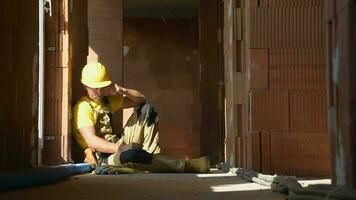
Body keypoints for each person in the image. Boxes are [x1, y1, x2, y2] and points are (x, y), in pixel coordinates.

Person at [72, 62, 210, 174]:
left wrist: (123, 91)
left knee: (147, 109)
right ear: (85, 85)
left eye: (102, 87)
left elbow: (141, 100)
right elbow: (92, 141)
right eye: (95, 88)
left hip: (119, 142)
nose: (99, 92)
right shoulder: (84, 107)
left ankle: (149, 158)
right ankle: (186, 166)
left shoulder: (106, 101)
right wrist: (122, 148)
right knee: (131, 156)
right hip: (104, 157)